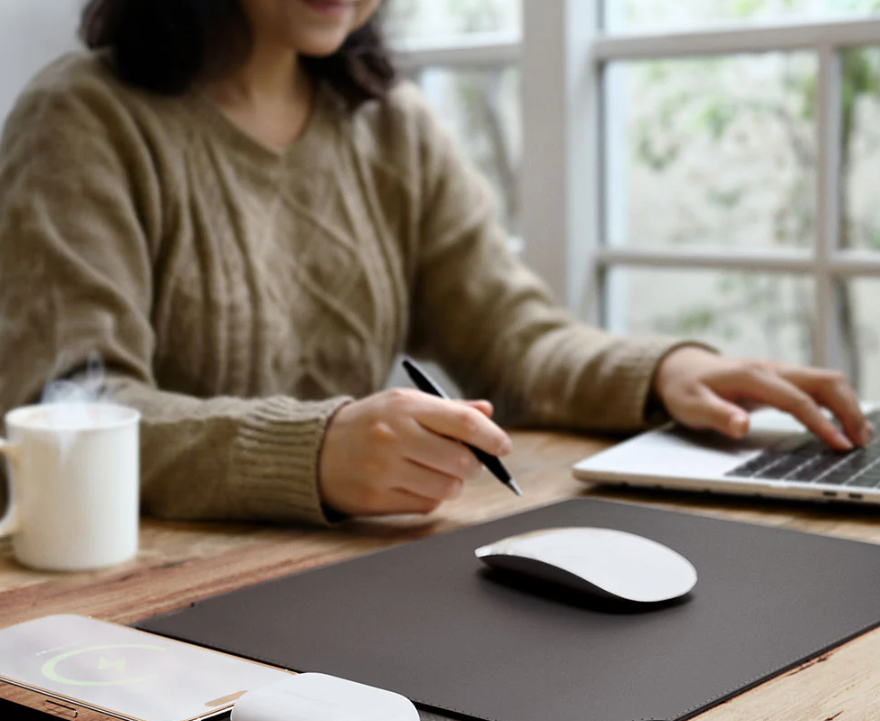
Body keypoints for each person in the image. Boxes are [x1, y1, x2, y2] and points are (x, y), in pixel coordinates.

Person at [0, 0, 870, 525]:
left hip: (356, 573)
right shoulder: (83, 119)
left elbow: (513, 338)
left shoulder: (392, 127)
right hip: (140, 614)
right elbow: (64, 407)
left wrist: (667, 371)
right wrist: (311, 451)